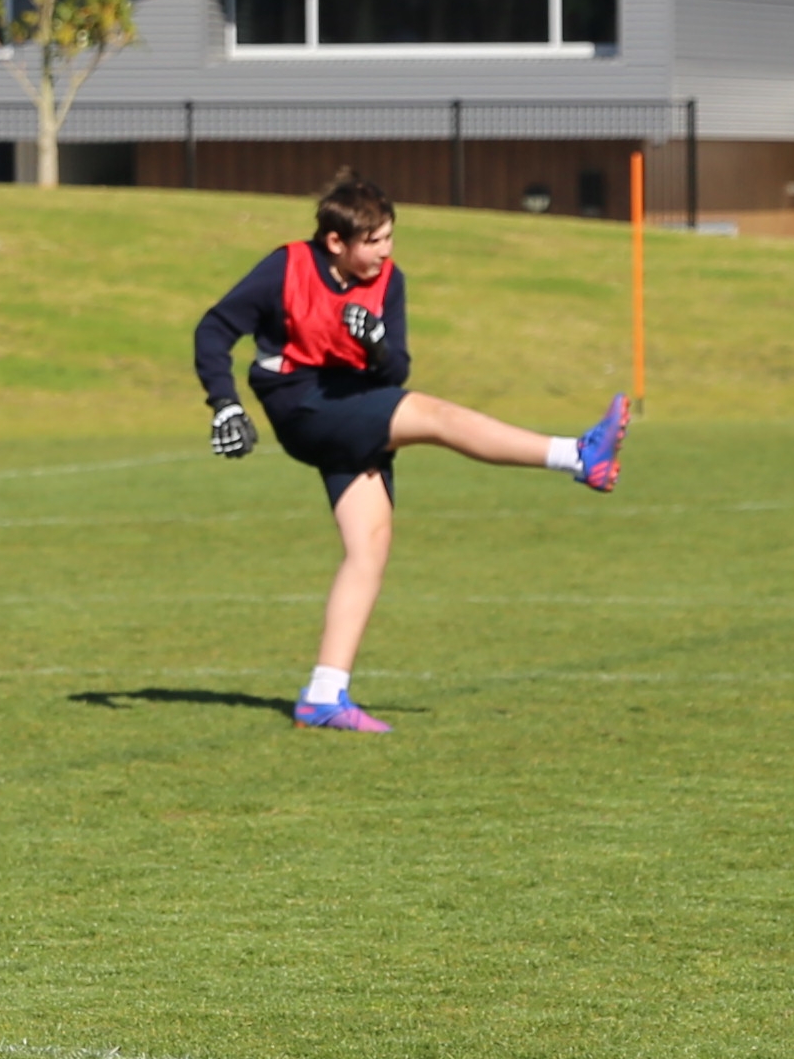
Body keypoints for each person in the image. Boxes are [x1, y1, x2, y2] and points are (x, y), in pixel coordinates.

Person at [190, 175, 624, 734]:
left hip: (350, 404)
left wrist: (375, 343)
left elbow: (396, 370)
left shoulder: (389, 282)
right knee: (437, 418)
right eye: (373, 241)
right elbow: (215, 329)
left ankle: (323, 696)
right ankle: (578, 455)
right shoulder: (287, 267)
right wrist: (224, 404)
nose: (384, 251)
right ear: (335, 243)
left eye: (389, 237)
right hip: (302, 404)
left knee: (368, 548)